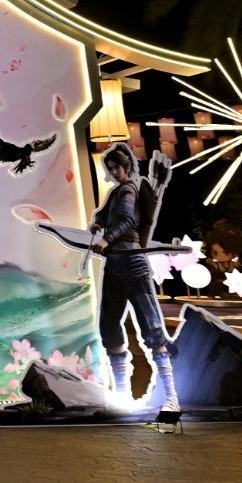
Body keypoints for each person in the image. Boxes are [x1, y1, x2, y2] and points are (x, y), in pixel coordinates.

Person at [90, 143, 177, 412]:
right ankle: (122, 397)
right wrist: (98, 223)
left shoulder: (128, 190)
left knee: (152, 328)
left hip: (132, 264)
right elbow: (104, 214)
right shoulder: (119, 191)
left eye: (117, 167)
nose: (115, 172)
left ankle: (171, 396)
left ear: (127, 166)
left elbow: (127, 221)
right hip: (116, 264)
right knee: (109, 327)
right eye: (111, 168)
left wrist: (106, 239)